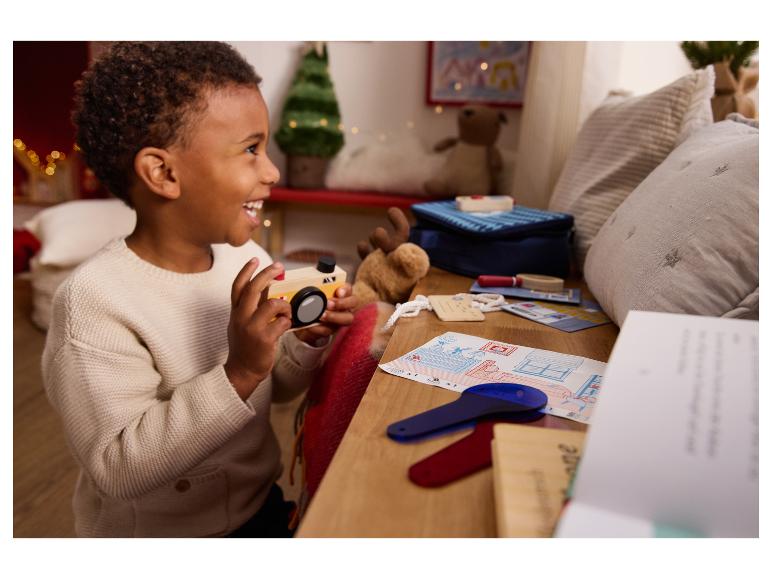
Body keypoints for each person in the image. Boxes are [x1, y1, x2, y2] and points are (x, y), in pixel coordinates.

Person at [41, 41, 358, 538]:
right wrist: (239, 371)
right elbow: (118, 467)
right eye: (251, 150)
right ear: (164, 173)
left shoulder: (246, 262)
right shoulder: (94, 303)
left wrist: (305, 341)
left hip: (260, 509)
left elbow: (274, 389)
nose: (272, 171)